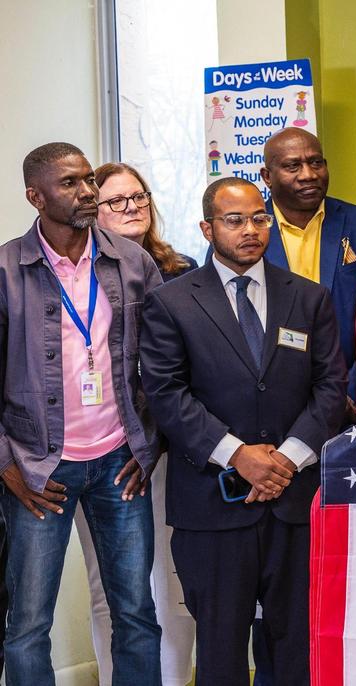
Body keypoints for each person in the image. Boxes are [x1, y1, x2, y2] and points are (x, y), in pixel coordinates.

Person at [139, 177, 346, 686]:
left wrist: (287, 459)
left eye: (259, 217)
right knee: (221, 648)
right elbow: (166, 394)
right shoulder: (172, 303)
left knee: (294, 644)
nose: (250, 229)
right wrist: (237, 455)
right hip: (212, 505)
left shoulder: (309, 298)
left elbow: (330, 386)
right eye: (234, 220)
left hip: (294, 500)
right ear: (207, 227)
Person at [1, 142, 163, 685]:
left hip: (119, 461)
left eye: (89, 179)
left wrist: (150, 442)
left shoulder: (131, 259)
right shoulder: (5, 269)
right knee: (27, 624)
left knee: (137, 614)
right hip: (38, 469)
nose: (88, 192)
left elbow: (165, 366)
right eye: (70, 183)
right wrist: (6, 465)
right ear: (35, 196)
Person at [68, 162, 198, 686]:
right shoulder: (73, 276)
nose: (132, 207)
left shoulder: (183, 269)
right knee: (113, 586)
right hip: (105, 448)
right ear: (92, 211)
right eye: (116, 201)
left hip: (168, 447)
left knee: (173, 580)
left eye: (138, 196)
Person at [260, 127, 356, 413]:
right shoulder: (246, 233)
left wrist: (347, 392)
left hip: (355, 400)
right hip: (270, 406)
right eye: (292, 166)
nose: (309, 174)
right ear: (267, 177)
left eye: (316, 162)